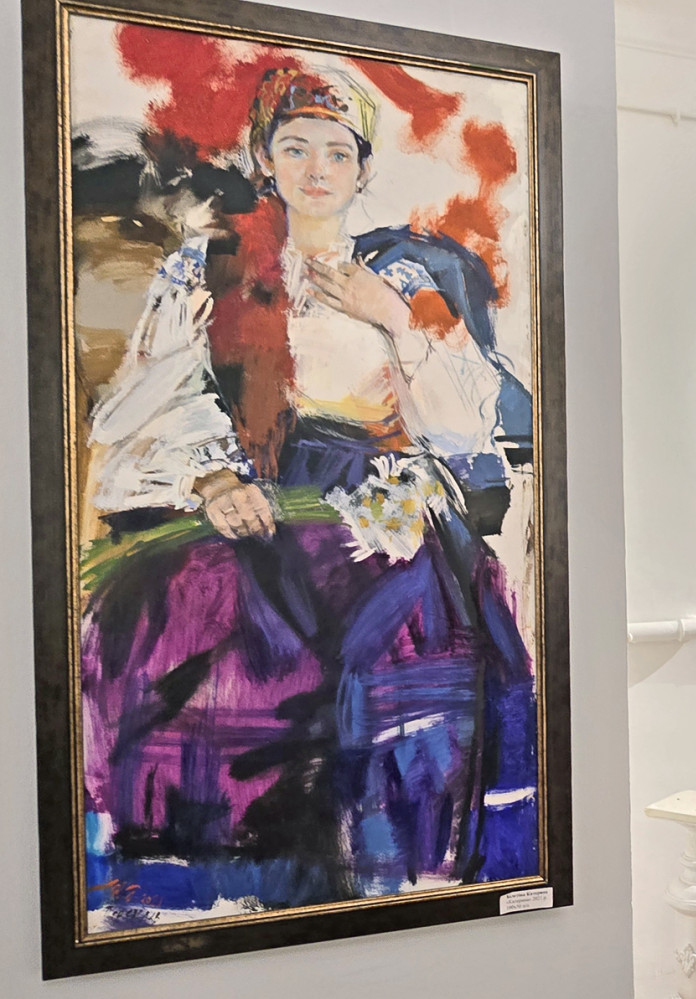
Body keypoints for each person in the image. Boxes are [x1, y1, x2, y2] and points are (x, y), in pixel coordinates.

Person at [80, 67, 536, 919]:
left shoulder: (406, 274)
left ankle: (393, 881)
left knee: (389, 646)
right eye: (295, 148)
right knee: (189, 638)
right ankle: (239, 899)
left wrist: (391, 318)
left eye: (336, 152)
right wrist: (212, 474)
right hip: (259, 505)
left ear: (363, 168)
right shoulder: (212, 269)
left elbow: (465, 429)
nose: (316, 169)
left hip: (385, 507)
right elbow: (146, 401)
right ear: (265, 159)